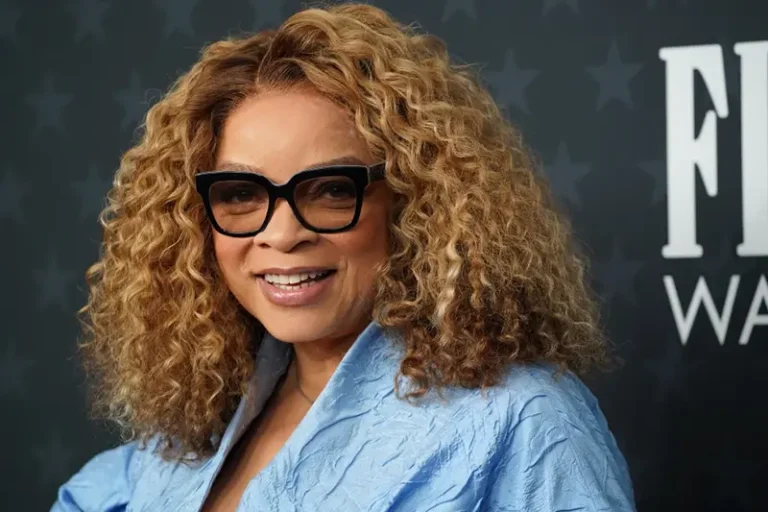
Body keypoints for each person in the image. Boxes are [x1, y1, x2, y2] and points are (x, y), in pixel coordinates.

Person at [51, 3, 636, 511]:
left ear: (413, 202)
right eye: (240, 194)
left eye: (330, 189)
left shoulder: (524, 421)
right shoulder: (191, 429)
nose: (281, 235)